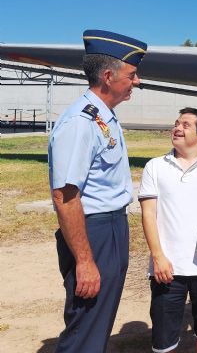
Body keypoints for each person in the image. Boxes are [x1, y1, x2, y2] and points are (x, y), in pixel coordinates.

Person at [49, 29, 147, 352]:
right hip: (93, 232)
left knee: (97, 325)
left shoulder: (103, 117)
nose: (137, 81)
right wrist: (85, 260)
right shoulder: (81, 122)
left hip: (110, 227)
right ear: (108, 76)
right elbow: (65, 196)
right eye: (132, 75)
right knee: (85, 331)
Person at [139, 107, 197, 353]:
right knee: (164, 341)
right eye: (176, 123)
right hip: (167, 268)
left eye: (185, 125)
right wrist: (158, 257)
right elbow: (148, 213)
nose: (177, 128)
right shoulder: (155, 166)